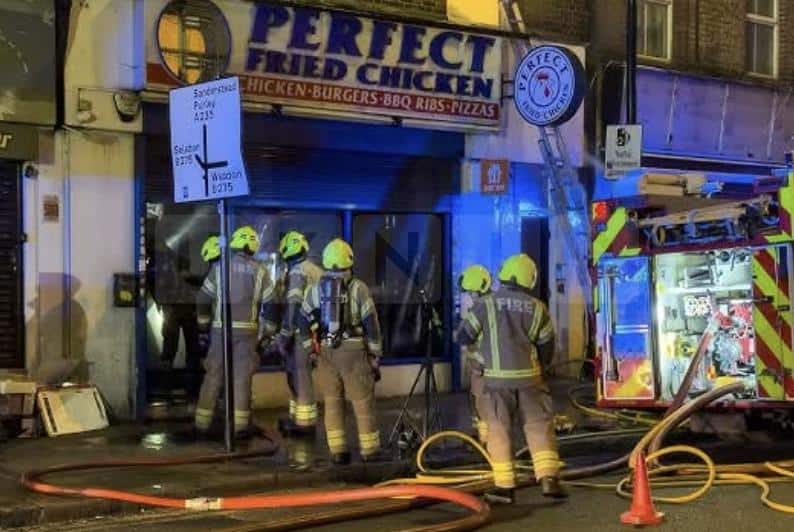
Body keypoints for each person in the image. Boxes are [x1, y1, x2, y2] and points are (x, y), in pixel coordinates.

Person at [457, 253, 566, 504]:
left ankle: (505, 487)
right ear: (530, 279)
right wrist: (541, 369)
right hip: (531, 380)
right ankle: (549, 479)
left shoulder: (485, 305)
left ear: (504, 274)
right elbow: (547, 346)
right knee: (539, 426)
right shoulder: (538, 308)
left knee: (499, 430)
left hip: (495, 382)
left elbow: (464, 336)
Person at [299, 238, 384, 464]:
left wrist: (311, 352)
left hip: (326, 352)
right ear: (350, 261)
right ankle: (370, 451)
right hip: (354, 351)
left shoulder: (314, 289)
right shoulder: (359, 288)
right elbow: (372, 323)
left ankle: (338, 451)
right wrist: (375, 354)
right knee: (362, 402)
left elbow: (302, 322)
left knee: (332, 402)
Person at [194, 226, 272, 439]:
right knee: (241, 379)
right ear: (253, 246)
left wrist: (203, 327)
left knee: (213, 376)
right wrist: (269, 333)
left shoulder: (220, 268)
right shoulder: (261, 271)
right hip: (247, 334)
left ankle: (202, 424)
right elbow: (272, 304)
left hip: (221, 331)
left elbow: (202, 298)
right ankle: (240, 427)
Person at [270, 230, 323, 436]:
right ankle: (296, 418)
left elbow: (293, 306)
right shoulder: (315, 270)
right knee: (298, 375)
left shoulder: (297, 272)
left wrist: (284, 336)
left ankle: (305, 424)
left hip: (301, 334)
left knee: (301, 377)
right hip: (313, 332)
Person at [153, 240, 204, 400]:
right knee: (190, 350)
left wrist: (161, 303)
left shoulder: (164, 261)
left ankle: (167, 389)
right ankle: (191, 389)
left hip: (174, 310)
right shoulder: (175, 261)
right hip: (183, 309)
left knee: (170, 350)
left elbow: (157, 284)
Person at [455, 264, 492, 444]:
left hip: (482, 366)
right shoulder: (493, 305)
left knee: (482, 404)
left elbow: (463, 336)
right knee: (481, 403)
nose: (470, 296)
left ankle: (486, 442)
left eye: (471, 292)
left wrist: (463, 323)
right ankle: (483, 438)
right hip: (485, 365)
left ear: (480, 290)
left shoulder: (480, 308)